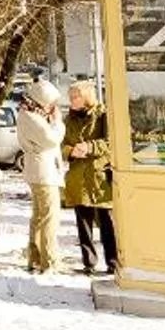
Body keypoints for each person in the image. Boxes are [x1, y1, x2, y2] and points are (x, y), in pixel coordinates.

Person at [63, 79, 119, 276]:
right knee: (83, 224)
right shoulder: (68, 120)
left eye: (75, 96)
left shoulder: (102, 115)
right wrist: (70, 151)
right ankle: (89, 262)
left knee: (107, 223)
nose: (71, 100)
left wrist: (90, 147)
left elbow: (111, 142)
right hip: (78, 177)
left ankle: (113, 262)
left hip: (99, 177)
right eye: (70, 97)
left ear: (86, 97)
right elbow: (60, 144)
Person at [15, 77, 66, 275]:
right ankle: (49, 261)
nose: (53, 107)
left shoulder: (30, 114)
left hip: (39, 171)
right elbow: (51, 139)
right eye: (51, 103)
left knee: (39, 216)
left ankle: (35, 258)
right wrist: (58, 122)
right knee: (49, 218)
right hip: (43, 172)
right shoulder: (31, 117)